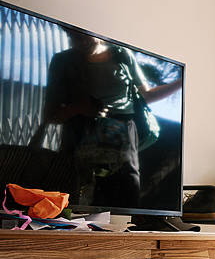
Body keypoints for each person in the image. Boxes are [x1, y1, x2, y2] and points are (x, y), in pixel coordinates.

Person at [40, 30, 179, 208]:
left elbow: (146, 95)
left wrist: (182, 81)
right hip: (82, 142)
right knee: (78, 201)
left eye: (85, 35)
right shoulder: (63, 61)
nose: (82, 41)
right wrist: (81, 107)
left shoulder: (122, 54)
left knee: (128, 202)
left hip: (124, 140)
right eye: (75, 36)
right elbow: (50, 114)